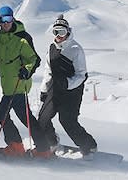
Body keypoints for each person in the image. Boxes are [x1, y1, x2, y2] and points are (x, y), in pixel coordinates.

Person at [0, 6, 51, 158]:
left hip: (19, 85)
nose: (6, 23)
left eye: (8, 19)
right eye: (3, 20)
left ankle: (23, 147)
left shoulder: (22, 37)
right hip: (8, 87)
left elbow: (34, 59)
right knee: (21, 117)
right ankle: (37, 147)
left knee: (5, 114)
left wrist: (26, 70)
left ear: (13, 19)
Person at [37, 14, 97, 159]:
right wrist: (44, 89)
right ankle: (52, 142)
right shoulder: (51, 48)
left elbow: (82, 75)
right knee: (42, 119)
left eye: (62, 32)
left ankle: (89, 145)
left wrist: (68, 83)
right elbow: (48, 71)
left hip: (72, 92)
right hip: (55, 89)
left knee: (67, 121)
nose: (58, 35)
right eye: (55, 32)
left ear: (68, 32)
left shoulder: (76, 49)